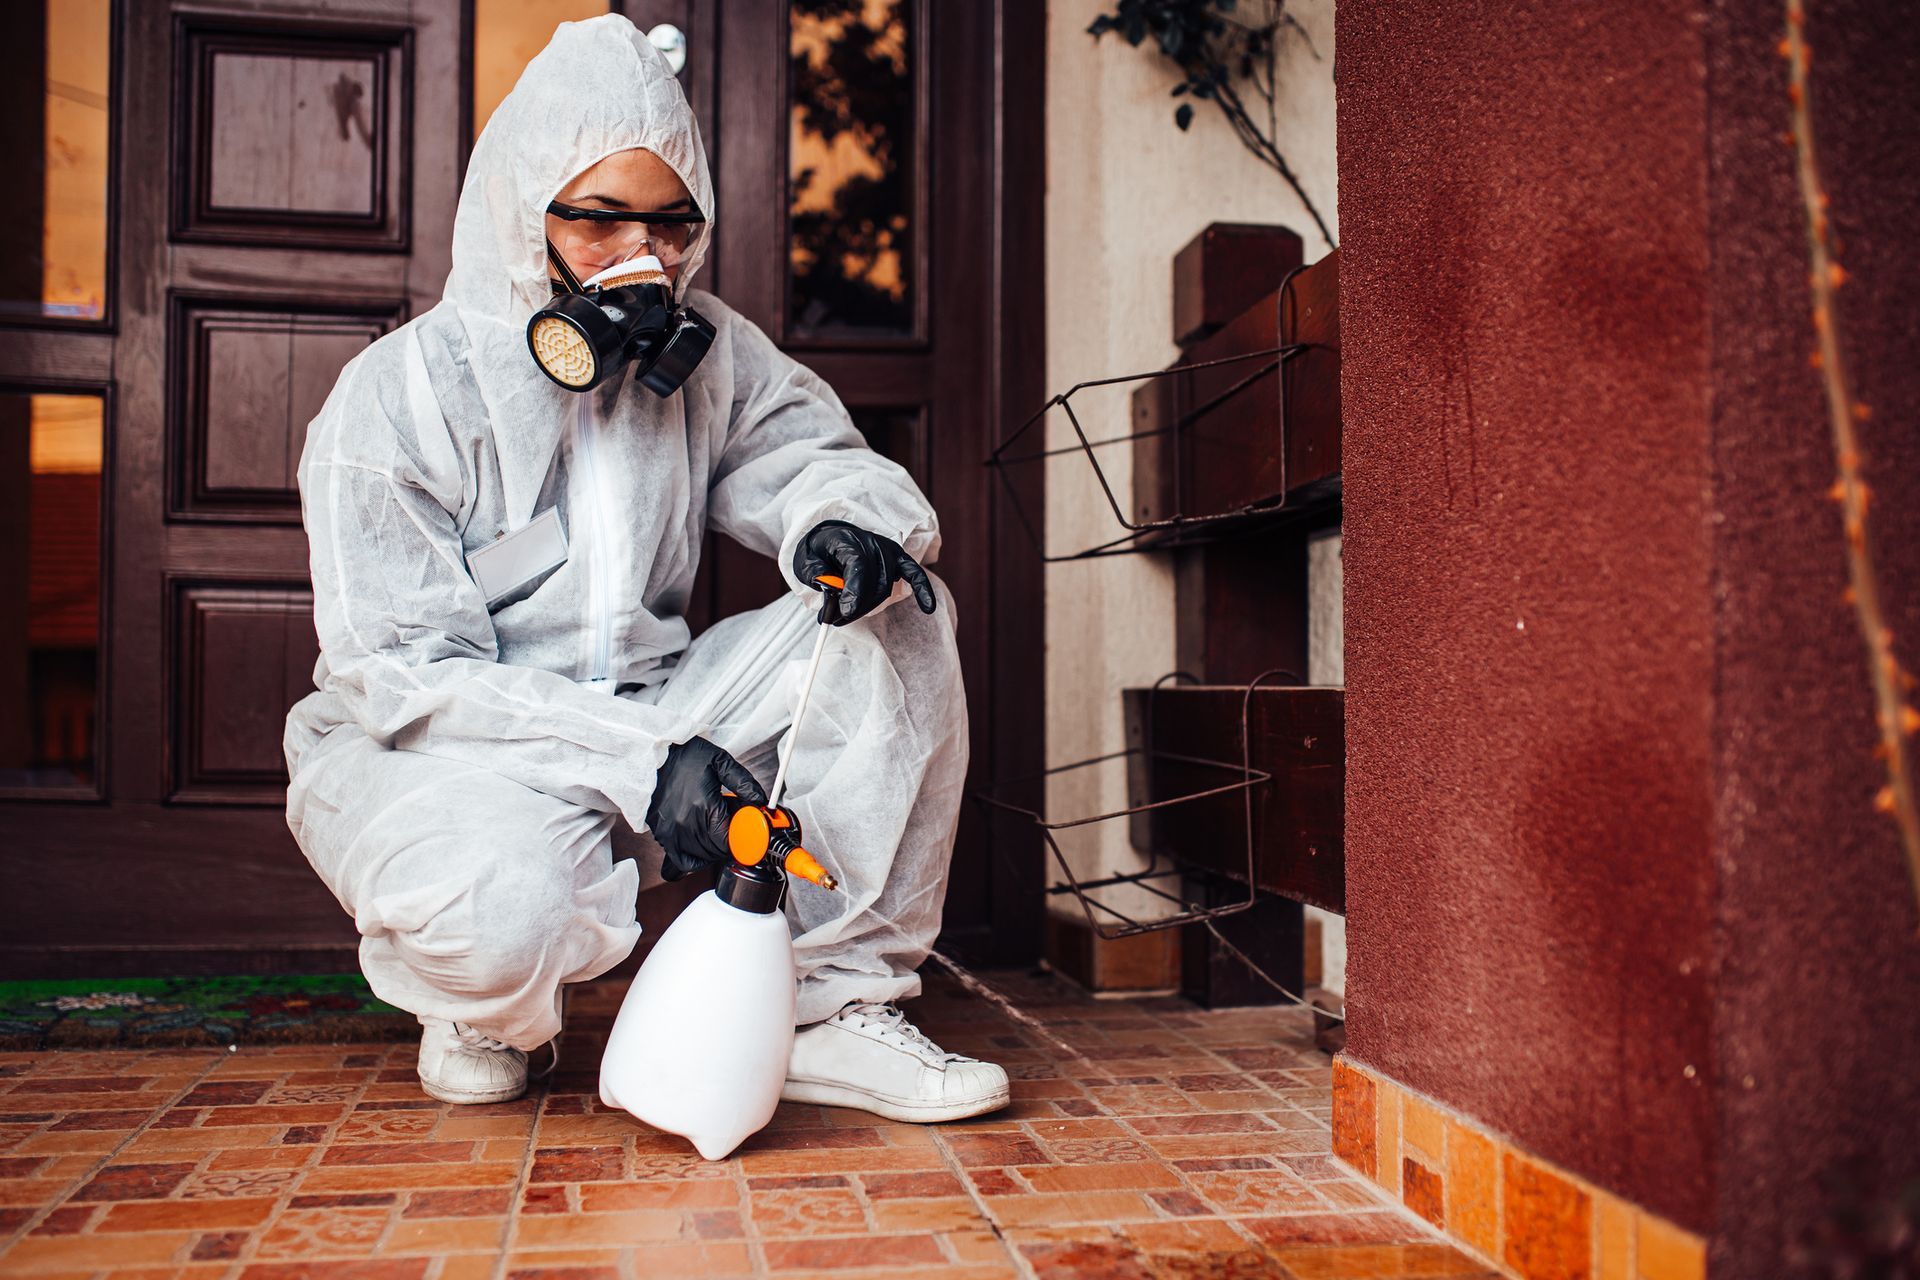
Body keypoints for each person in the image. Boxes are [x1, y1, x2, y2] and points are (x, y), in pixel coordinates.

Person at [281, 14, 1007, 1124]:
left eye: (672, 227)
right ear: (526, 213)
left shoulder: (709, 358)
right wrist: (646, 759)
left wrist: (841, 522)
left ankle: (828, 1002)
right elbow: (405, 673)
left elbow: (812, 453)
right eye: (600, 222)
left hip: (664, 712)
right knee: (497, 909)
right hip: (457, 756)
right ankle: (476, 1004)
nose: (644, 261)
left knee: (902, 609)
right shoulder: (398, 400)